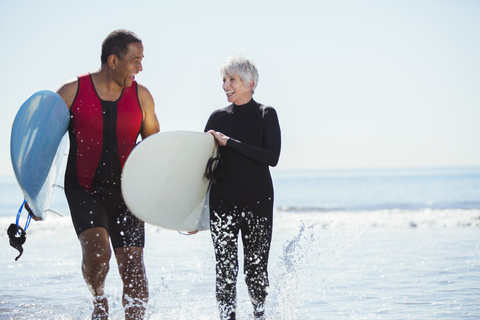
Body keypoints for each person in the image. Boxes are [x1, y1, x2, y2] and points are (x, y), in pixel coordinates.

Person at [55, 29, 160, 320]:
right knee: (98, 256)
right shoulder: (71, 91)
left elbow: (155, 150)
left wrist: (176, 205)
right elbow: (43, 144)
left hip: (128, 192)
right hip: (84, 188)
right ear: (113, 61)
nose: (140, 67)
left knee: (135, 271)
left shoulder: (142, 97)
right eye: (135, 60)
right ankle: (99, 299)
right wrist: (32, 196)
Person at [204, 54, 281, 320]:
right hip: (222, 201)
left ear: (249, 83)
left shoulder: (265, 114)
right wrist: (192, 211)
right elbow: (200, 166)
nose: (226, 85)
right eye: (224, 79)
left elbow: (272, 156)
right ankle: (227, 317)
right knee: (225, 268)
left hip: (257, 201)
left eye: (232, 79)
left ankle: (259, 314)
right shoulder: (217, 118)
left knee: (256, 267)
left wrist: (230, 143)